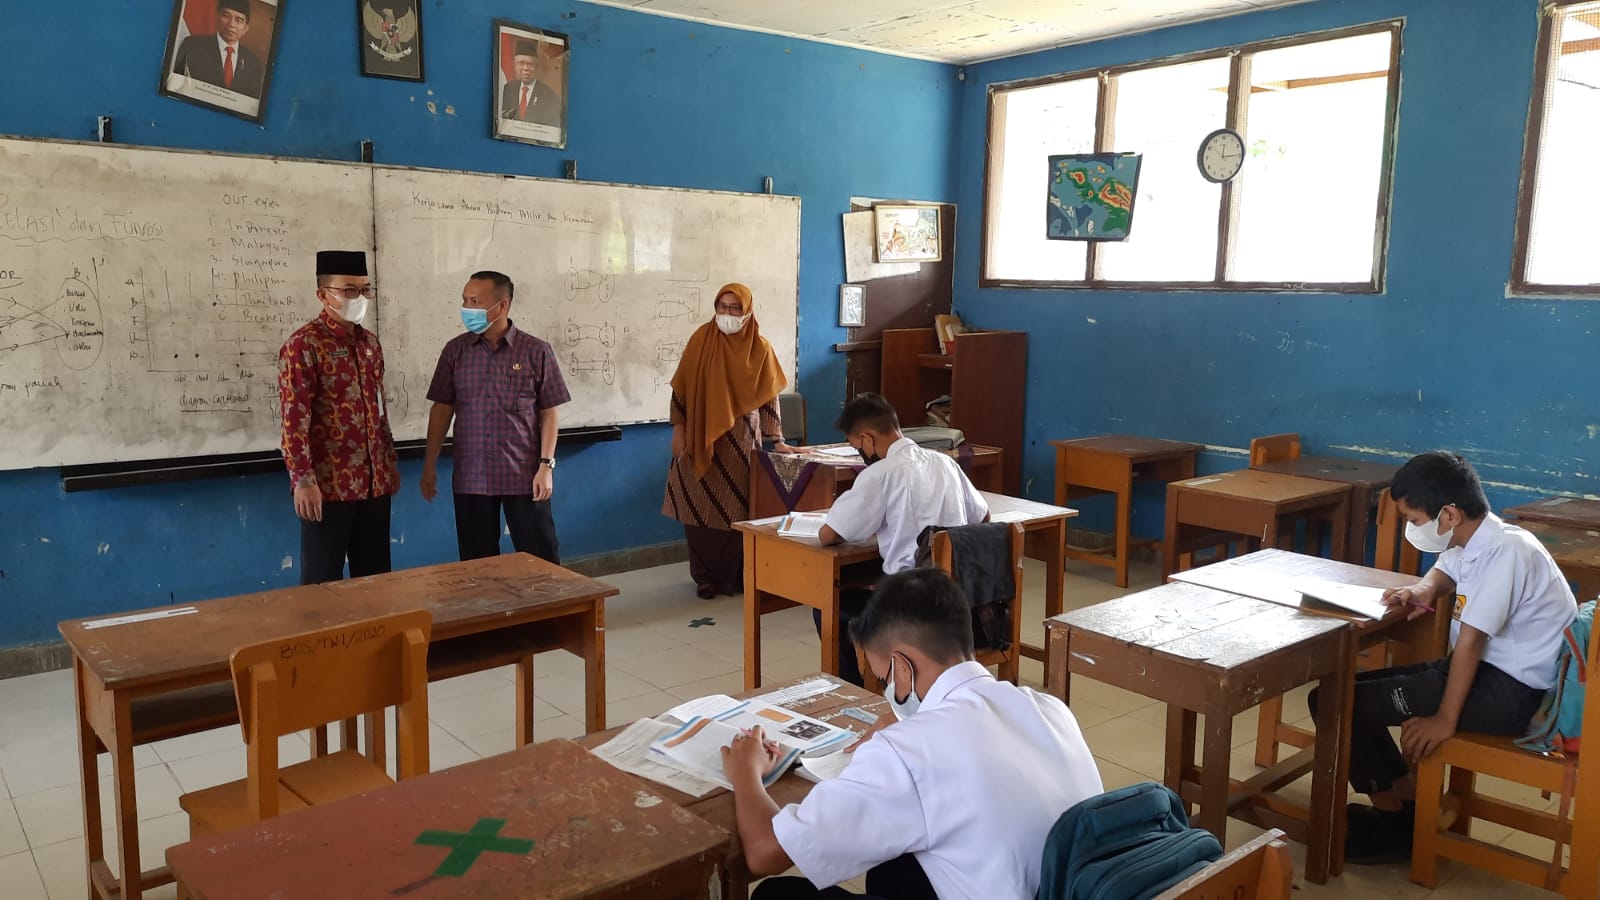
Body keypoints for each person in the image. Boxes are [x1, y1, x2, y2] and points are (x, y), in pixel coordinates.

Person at [721, 568, 1103, 900]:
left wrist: (745, 772)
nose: (888, 689)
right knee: (894, 870)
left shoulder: (909, 752)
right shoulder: (1047, 707)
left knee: (778, 895)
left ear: (902, 667)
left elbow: (764, 853)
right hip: (1069, 889)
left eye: (885, 677)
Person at [1309, 450, 1576, 863]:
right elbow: (1447, 567)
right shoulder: (1483, 538)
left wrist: (1444, 721)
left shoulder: (1508, 553)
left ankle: (1396, 825)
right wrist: (1424, 588)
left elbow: (1470, 643)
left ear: (1448, 514)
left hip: (1514, 694)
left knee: (1335, 700)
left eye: (1415, 521)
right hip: (1491, 675)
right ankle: (1408, 808)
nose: (1413, 530)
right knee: (1342, 688)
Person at [816, 392, 989, 684]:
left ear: (868, 439)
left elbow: (828, 535)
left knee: (826, 603)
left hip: (910, 607)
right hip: (959, 598)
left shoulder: (880, 474)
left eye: (857, 446)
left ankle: (853, 689)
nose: (861, 453)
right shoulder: (944, 463)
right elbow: (982, 518)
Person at [421, 271, 569, 563]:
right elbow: (441, 410)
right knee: (478, 565)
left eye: (475, 301)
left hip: (525, 476)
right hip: (472, 477)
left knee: (540, 559)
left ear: (502, 306)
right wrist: (429, 465)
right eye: (465, 300)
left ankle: (551, 611)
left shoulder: (536, 351)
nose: (467, 308)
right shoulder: (455, 352)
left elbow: (549, 412)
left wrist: (546, 466)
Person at [662, 283, 796, 598]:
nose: (727, 313)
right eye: (722, 306)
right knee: (695, 508)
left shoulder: (759, 348)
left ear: (747, 311)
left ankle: (735, 578)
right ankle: (704, 578)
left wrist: (777, 439)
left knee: (736, 509)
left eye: (735, 308)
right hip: (697, 437)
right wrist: (678, 430)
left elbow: (769, 399)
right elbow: (680, 390)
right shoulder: (700, 341)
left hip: (740, 442)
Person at [278, 250, 398, 584]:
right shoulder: (304, 345)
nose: (358, 298)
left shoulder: (369, 344)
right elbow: (293, 419)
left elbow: (378, 409)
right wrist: (302, 480)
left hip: (374, 485)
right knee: (321, 584)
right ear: (323, 294)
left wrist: (389, 463)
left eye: (364, 290)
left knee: (376, 581)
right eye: (349, 290)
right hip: (327, 489)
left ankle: (374, 637)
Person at [171, 0, 265, 99]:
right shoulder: (192, 45)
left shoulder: (254, 63)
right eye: (226, 15)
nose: (231, 24)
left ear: (245, 28)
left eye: (239, 20)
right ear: (216, 17)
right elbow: (174, 86)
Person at [499, 40, 561, 127]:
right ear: (514, 65)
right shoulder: (508, 88)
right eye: (521, 63)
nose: (525, 68)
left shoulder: (550, 96)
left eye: (530, 64)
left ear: (536, 67)